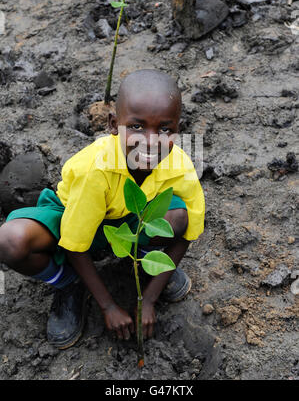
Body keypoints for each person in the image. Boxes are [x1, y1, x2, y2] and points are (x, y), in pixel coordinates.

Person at [0, 69, 205, 348]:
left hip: (126, 220)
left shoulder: (179, 165)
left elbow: (189, 232)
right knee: (11, 242)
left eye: (165, 129)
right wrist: (108, 306)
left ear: (177, 130)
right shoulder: (94, 171)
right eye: (136, 126)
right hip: (73, 219)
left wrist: (150, 299)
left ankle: (146, 260)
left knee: (177, 216)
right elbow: (74, 244)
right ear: (113, 124)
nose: (150, 141)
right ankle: (69, 284)